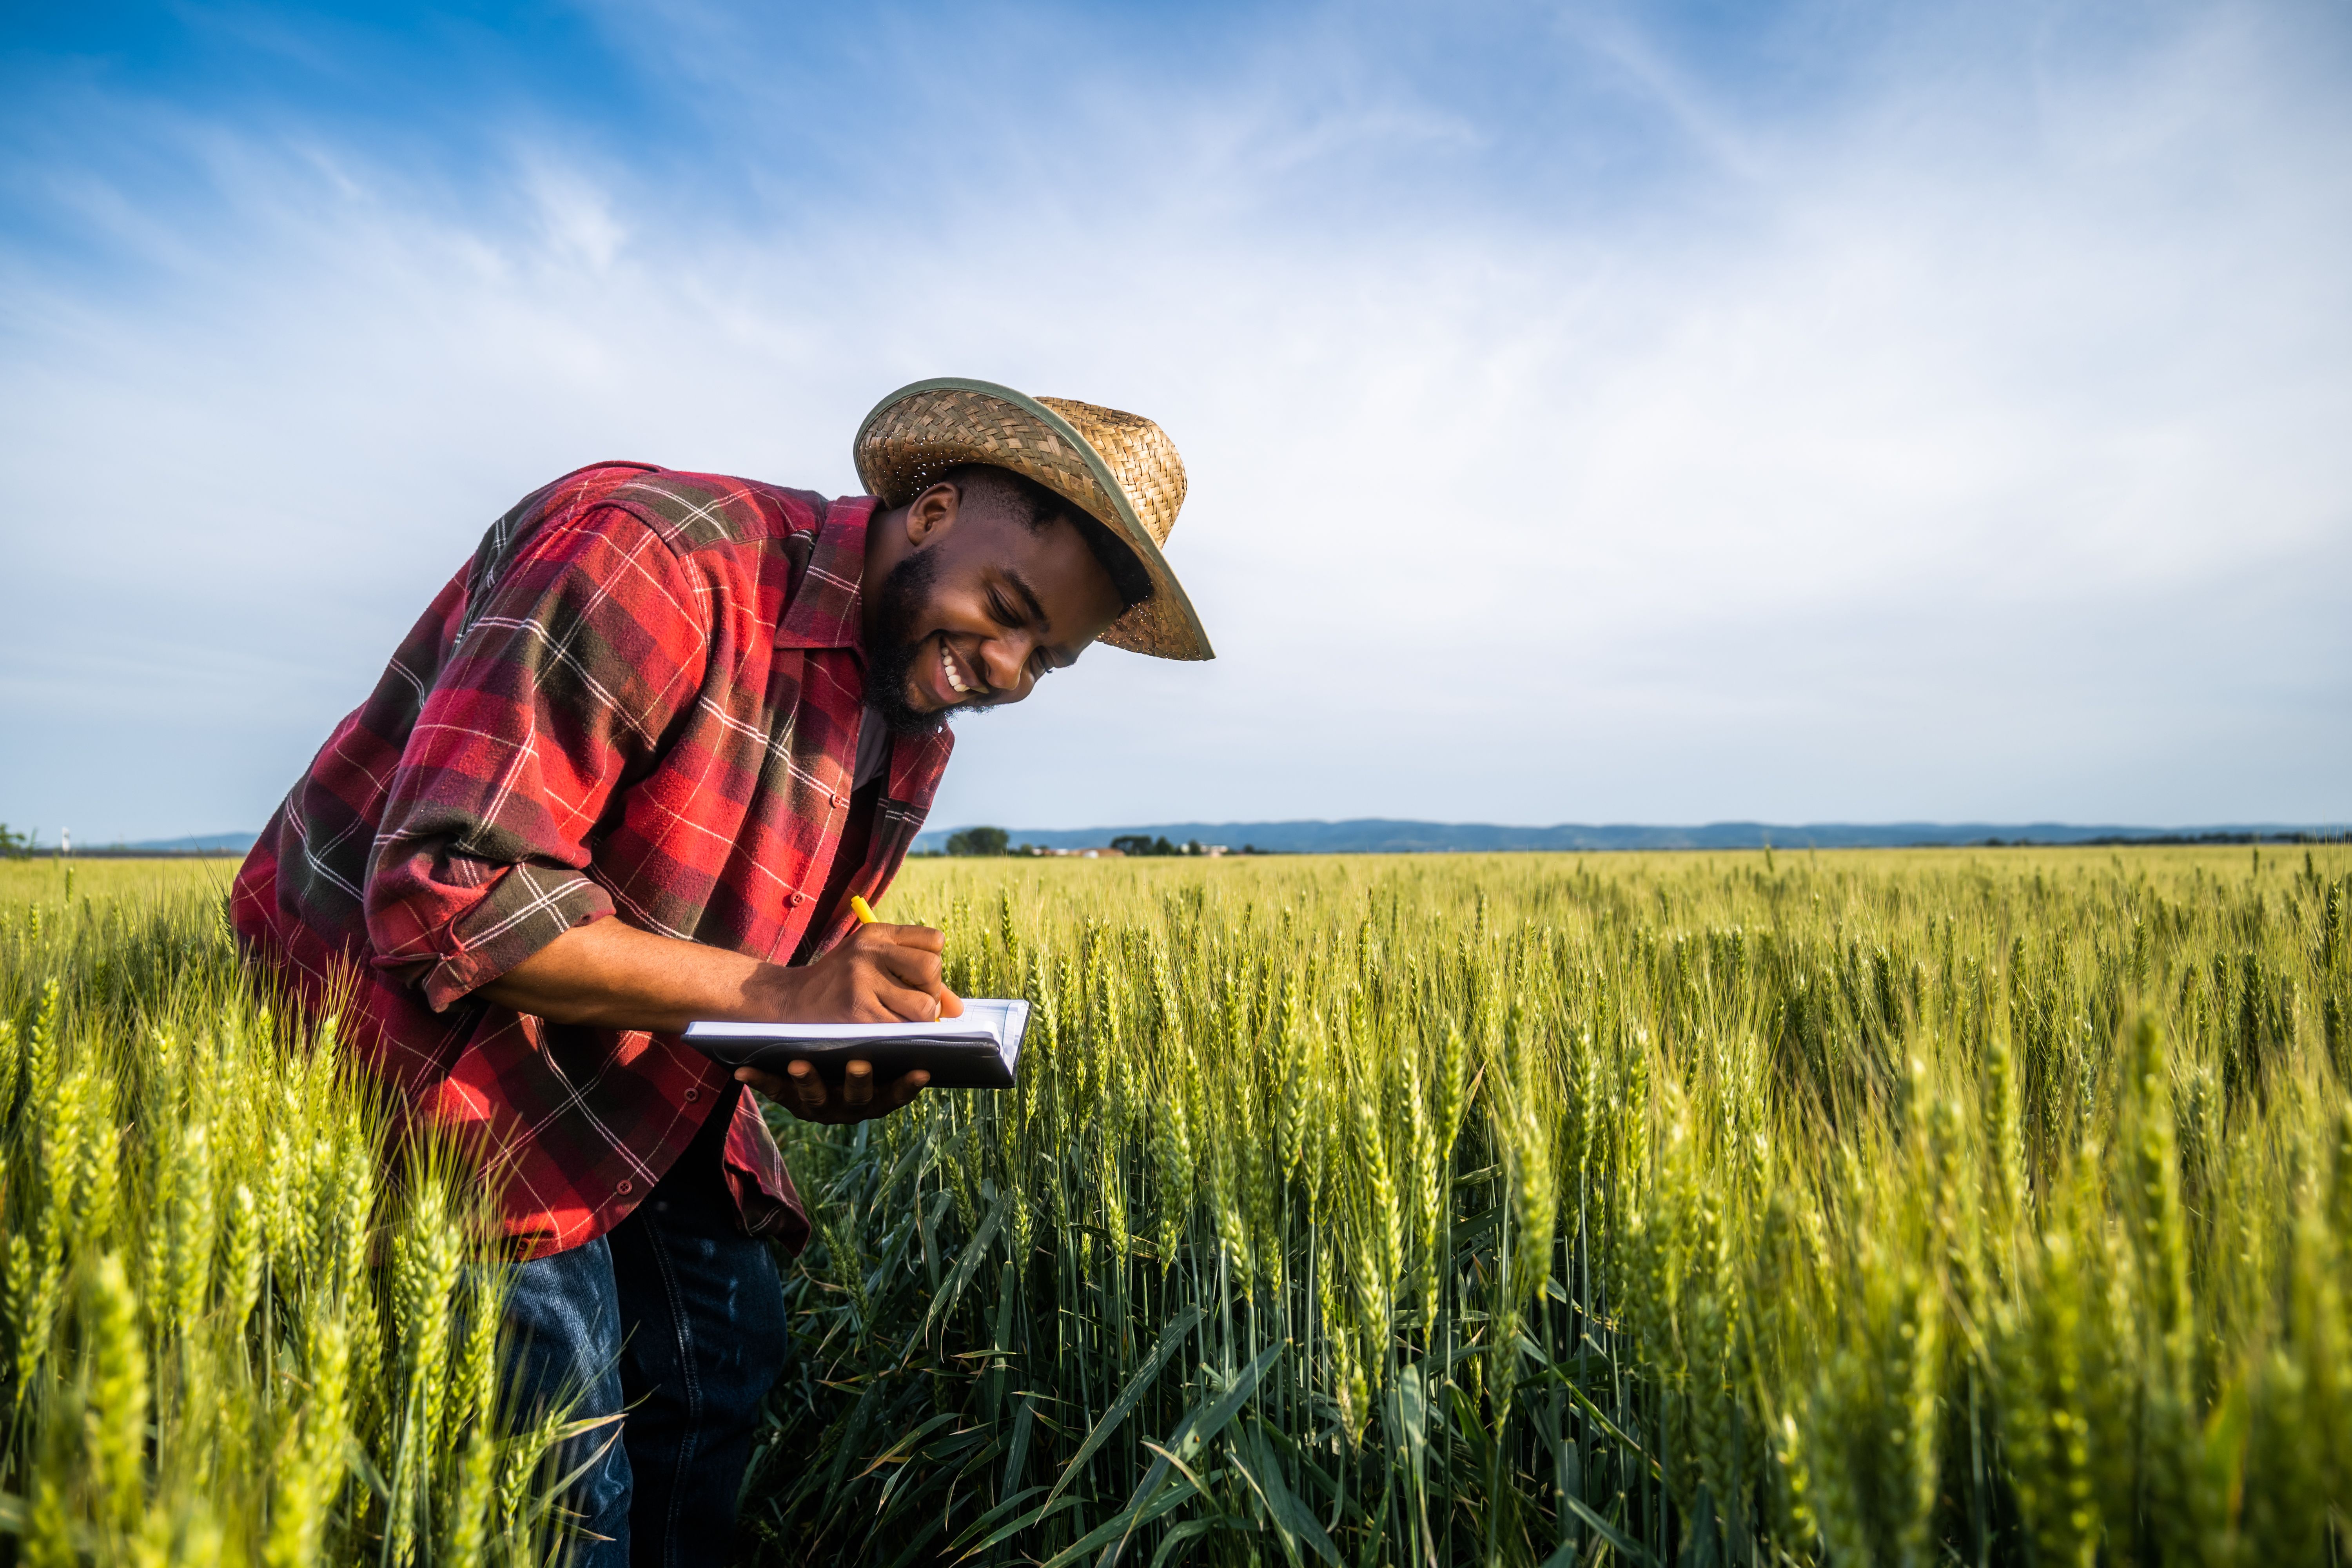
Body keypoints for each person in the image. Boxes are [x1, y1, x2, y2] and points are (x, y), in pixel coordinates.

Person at [229, 378, 1212, 1566]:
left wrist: (818, 1054)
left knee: (721, 1364)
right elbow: (449, 895)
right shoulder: (660, 562)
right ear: (934, 507)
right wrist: (780, 1000)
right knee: (566, 1472)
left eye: (1044, 659)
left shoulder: (911, 722)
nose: (1004, 667)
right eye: (1004, 609)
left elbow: (753, 969)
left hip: (625, 1062)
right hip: (422, 1049)